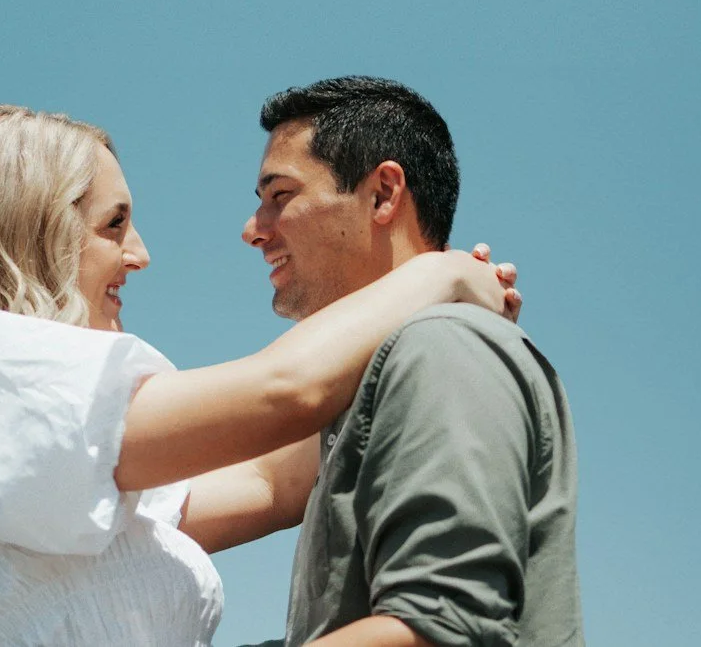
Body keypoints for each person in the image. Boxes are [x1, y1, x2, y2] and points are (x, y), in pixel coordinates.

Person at [0, 103, 521, 647]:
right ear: (25, 233)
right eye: (112, 224)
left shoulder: (48, 452)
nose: (139, 254)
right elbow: (285, 391)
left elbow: (275, 482)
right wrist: (438, 273)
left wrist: (416, 326)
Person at [241, 75, 584, 647]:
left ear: (382, 195)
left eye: (280, 196)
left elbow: (437, 628)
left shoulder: (443, 347)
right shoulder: (380, 386)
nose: (255, 229)